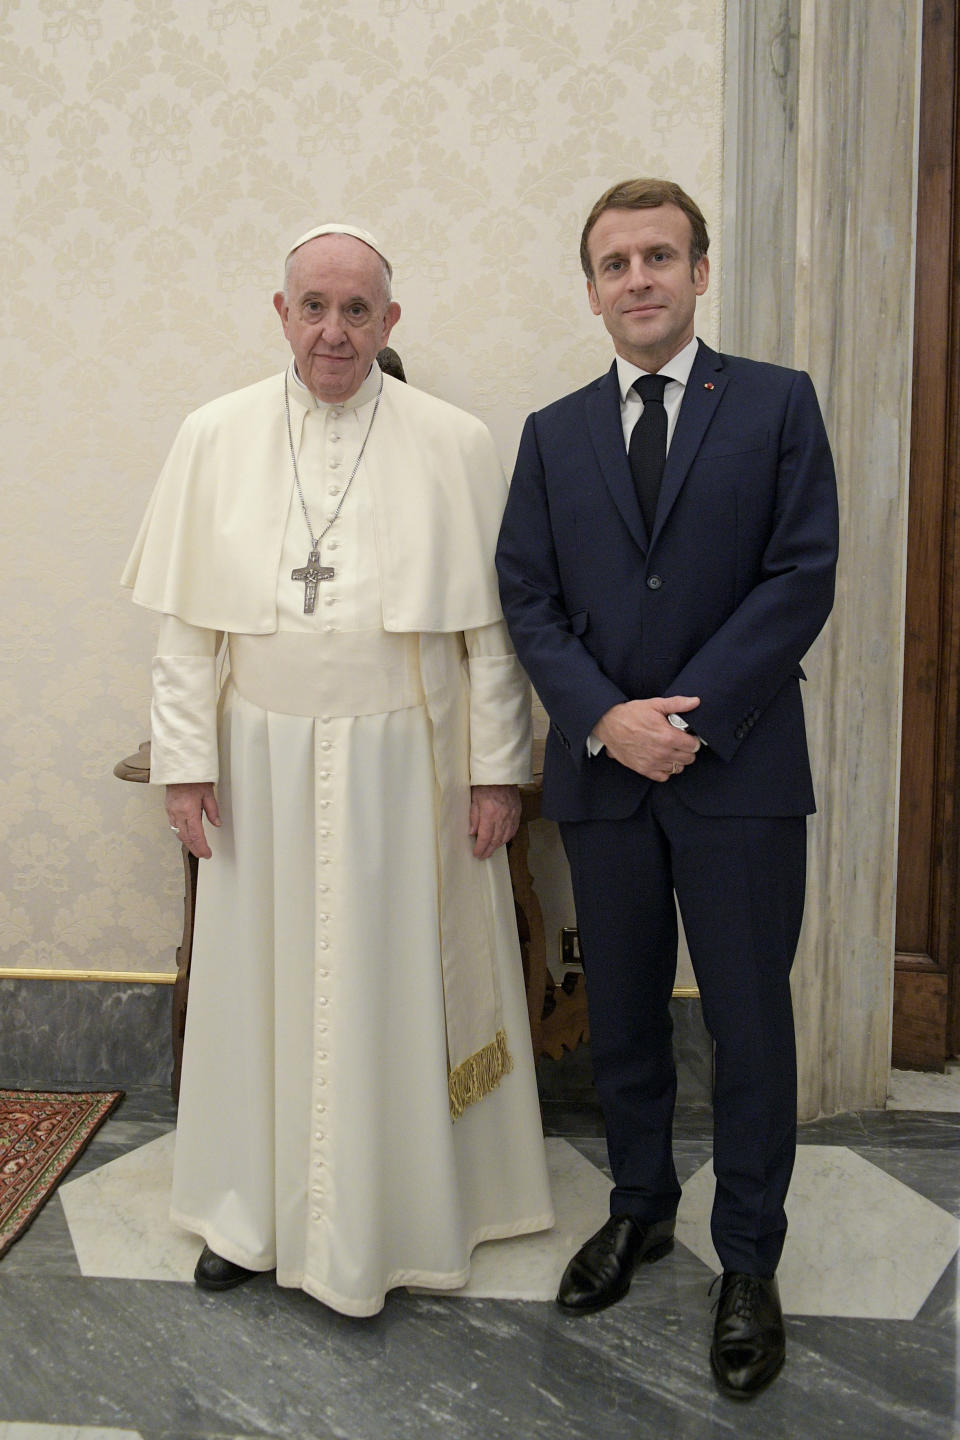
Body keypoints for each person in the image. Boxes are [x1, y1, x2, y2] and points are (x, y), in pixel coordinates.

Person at [123, 222, 553, 1317]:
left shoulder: (453, 443)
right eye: (313, 305)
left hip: (405, 772)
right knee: (260, 988)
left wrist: (497, 772)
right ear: (280, 314)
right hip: (257, 764)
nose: (334, 329)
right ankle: (247, 1211)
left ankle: (407, 1216)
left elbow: (490, 637)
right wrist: (184, 764)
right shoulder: (214, 436)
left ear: (390, 323)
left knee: (392, 988)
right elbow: (186, 631)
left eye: (358, 310)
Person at [496, 179, 838, 1397]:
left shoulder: (779, 406)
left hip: (737, 773)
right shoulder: (551, 433)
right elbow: (526, 597)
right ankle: (641, 1206)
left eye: (660, 256)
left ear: (701, 272)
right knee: (627, 1016)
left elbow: (801, 575)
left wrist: (679, 719)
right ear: (589, 290)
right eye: (613, 262)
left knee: (748, 1022)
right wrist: (602, 718)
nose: (637, 278)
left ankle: (749, 1256)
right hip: (603, 776)